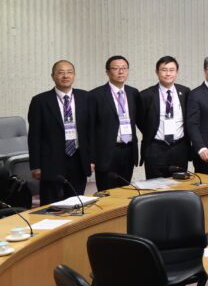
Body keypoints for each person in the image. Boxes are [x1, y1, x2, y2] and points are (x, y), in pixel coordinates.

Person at [28, 60, 93, 204]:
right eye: (61, 72)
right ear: (53, 76)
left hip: (78, 158)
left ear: (74, 75)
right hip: (51, 161)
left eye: (69, 72)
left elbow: (91, 132)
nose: (65, 76)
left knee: (76, 203)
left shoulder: (86, 97)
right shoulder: (40, 101)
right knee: (51, 205)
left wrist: (92, 159)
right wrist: (35, 165)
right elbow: (34, 136)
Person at [90, 55, 140, 191]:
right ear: (107, 72)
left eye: (124, 68)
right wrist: (91, 157)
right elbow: (90, 129)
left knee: (125, 192)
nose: (121, 71)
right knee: (107, 194)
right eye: (116, 68)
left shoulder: (133, 93)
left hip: (128, 150)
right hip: (107, 153)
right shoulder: (95, 95)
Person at [138, 56, 191, 179]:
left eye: (172, 70)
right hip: (155, 148)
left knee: (179, 187)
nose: (168, 73)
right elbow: (140, 120)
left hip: (179, 148)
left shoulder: (185, 92)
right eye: (164, 70)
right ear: (157, 72)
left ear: (177, 72)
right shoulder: (146, 95)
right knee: (156, 187)